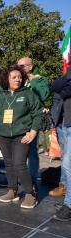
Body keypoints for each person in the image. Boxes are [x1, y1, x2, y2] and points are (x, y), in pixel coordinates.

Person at [0, 66, 43, 208]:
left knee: (19, 164)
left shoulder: (28, 94)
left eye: (19, 77)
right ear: (7, 79)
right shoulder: (0, 96)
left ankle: (30, 194)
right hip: (2, 136)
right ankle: (12, 191)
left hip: (21, 136)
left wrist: (33, 132)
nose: (18, 79)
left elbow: (38, 113)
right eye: (14, 77)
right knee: (9, 164)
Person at [15, 57, 50, 190]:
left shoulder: (39, 79)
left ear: (30, 67)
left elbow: (44, 95)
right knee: (16, 151)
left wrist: (32, 79)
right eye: (18, 65)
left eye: (22, 66)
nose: (19, 68)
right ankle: (15, 179)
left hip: (31, 121)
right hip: (17, 120)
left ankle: (32, 180)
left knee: (32, 152)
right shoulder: (18, 79)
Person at [51, 68, 71, 220]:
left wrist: (64, 86)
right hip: (63, 122)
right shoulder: (68, 72)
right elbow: (56, 86)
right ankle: (67, 199)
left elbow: (62, 90)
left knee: (68, 164)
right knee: (66, 163)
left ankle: (69, 205)